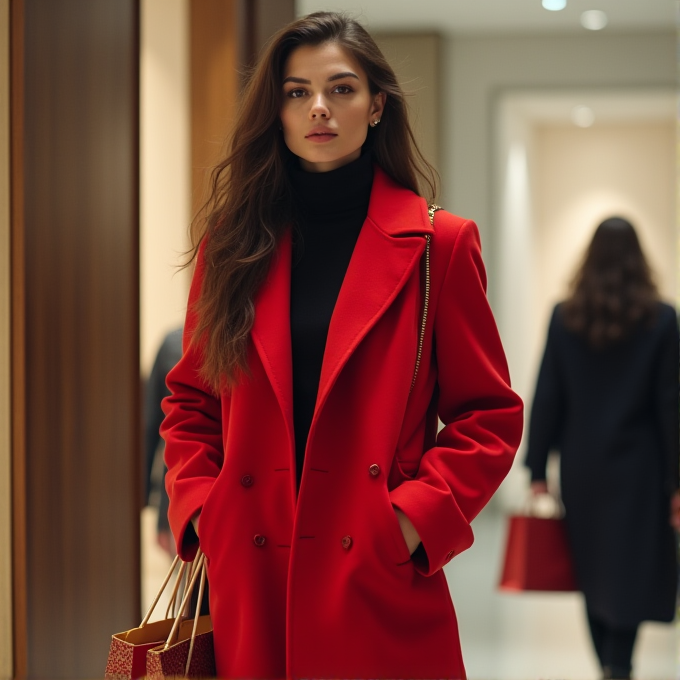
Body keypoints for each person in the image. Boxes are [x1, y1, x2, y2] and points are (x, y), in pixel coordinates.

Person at [161, 11, 523, 679]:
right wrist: (204, 508)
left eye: (342, 89)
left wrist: (410, 524)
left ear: (377, 104)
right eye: (296, 92)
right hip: (253, 572)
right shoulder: (233, 247)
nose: (318, 108)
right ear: (276, 111)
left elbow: (489, 417)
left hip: (375, 577)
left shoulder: (439, 246)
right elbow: (190, 399)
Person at [525, 217, 680, 680]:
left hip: (582, 466)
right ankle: (619, 664)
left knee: (591, 568)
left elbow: (548, 394)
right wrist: (677, 479)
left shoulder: (564, 315)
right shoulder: (662, 319)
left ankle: (608, 665)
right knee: (630, 566)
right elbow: (671, 406)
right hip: (641, 469)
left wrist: (537, 470)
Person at [144, 326, 183, 556]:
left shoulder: (172, 342)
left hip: (180, 492)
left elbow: (151, 426)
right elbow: (152, 426)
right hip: (179, 492)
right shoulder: (173, 342)